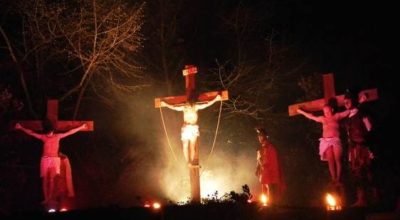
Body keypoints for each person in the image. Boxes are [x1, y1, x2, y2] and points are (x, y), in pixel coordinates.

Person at [15, 121, 87, 205]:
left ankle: (50, 198)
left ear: (52, 131)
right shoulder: (43, 137)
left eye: (49, 133)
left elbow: (69, 132)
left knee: (52, 179)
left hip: (54, 159)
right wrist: (21, 127)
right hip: (45, 159)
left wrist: (81, 127)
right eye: (47, 133)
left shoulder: (58, 136)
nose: (48, 134)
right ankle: (46, 198)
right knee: (45, 180)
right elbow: (32, 133)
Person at [160, 94, 221, 165]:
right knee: (185, 145)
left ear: (192, 103)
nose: (188, 105)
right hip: (186, 127)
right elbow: (174, 107)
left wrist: (215, 99)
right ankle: (187, 162)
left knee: (192, 146)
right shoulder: (184, 107)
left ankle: (191, 162)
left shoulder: (196, 107)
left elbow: (206, 104)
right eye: (187, 103)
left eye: (189, 103)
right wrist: (165, 104)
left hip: (193, 128)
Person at [297, 104, 349, 186]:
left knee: (337, 159)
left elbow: (348, 112)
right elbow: (311, 117)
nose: (326, 113)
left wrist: (359, 103)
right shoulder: (323, 119)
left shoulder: (336, 116)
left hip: (335, 139)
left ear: (331, 110)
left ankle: (338, 178)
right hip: (326, 141)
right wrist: (301, 112)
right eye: (325, 112)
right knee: (330, 161)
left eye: (328, 111)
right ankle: (333, 179)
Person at [343, 93, 376, 206]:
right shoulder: (347, 118)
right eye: (344, 102)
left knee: (366, 172)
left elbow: (369, 128)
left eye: (348, 101)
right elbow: (348, 135)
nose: (346, 103)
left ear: (352, 101)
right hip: (353, 150)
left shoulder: (361, 114)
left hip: (362, 147)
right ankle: (361, 199)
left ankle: (372, 199)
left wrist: (369, 148)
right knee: (356, 174)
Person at [255, 127, 286, 204]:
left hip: (269, 172)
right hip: (265, 172)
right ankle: (267, 204)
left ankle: (270, 204)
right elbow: (260, 160)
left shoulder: (269, 148)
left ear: (264, 136)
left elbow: (266, 162)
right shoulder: (263, 147)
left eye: (260, 135)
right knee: (266, 187)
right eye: (258, 136)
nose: (259, 137)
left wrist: (259, 160)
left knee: (269, 187)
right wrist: (258, 167)